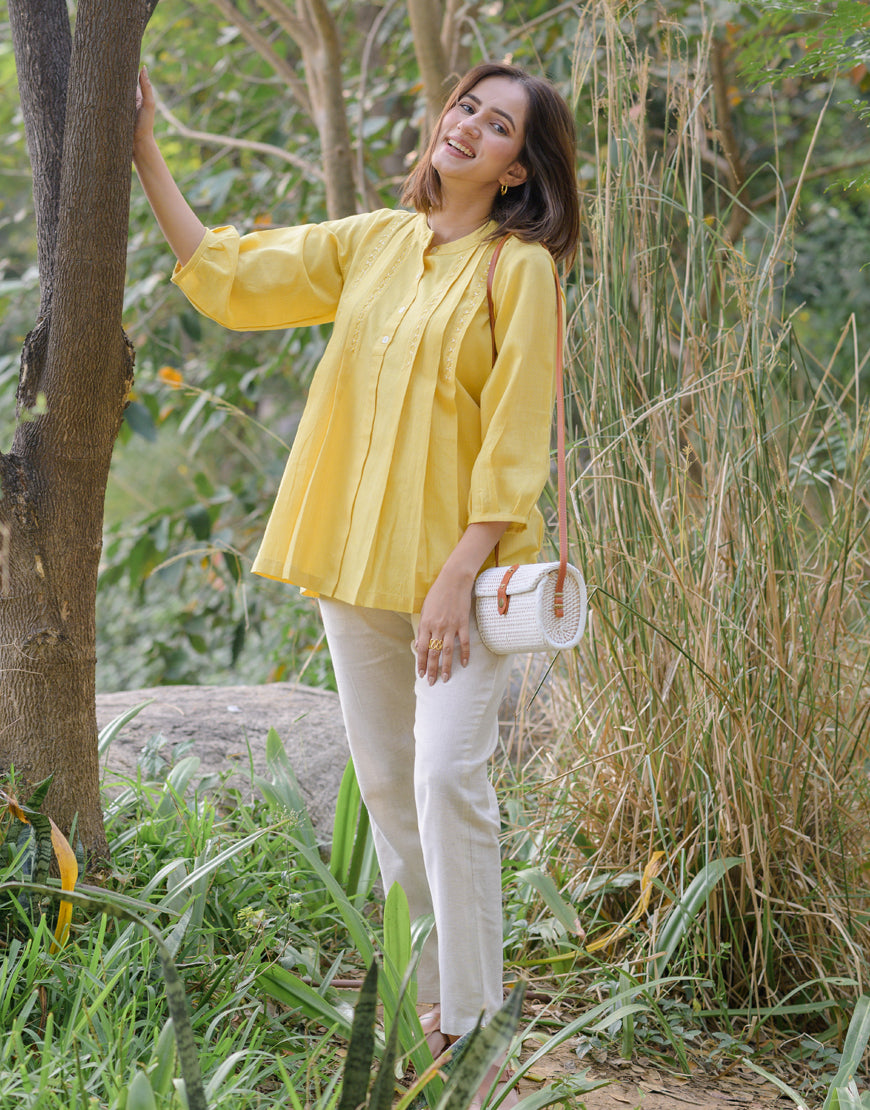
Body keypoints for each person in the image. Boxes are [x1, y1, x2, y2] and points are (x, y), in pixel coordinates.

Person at [133, 59, 579, 1106]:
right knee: (386, 787)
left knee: (446, 780)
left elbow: (517, 436)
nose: (468, 126)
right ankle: (432, 1009)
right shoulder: (375, 241)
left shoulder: (518, 270)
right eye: (466, 106)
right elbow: (230, 276)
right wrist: (144, 147)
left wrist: (457, 573)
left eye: (498, 126)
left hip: (464, 580)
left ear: (517, 171)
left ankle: (478, 1028)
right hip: (355, 560)